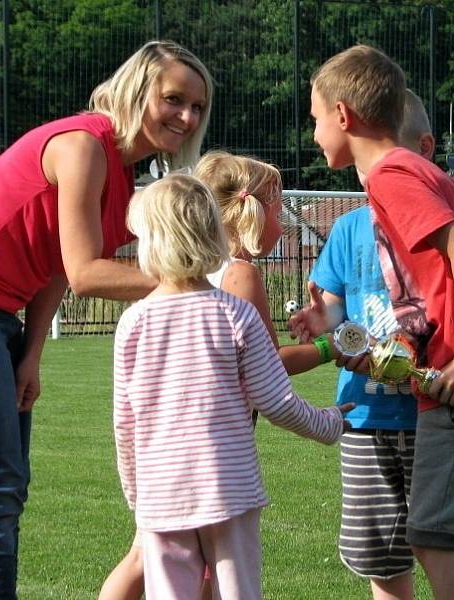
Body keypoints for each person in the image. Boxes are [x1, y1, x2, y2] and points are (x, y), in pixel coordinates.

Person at [0, 40, 213, 600]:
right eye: (173, 99)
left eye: (197, 107)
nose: (186, 117)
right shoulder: (84, 146)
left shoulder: (119, 171)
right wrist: (191, 286)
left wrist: (32, 354)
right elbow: (88, 272)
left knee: (7, 486)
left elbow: (54, 270)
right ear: (137, 91)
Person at [306, 44, 454, 600]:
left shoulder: (391, 174)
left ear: (343, 115)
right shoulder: (419, 171)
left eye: (314, 117)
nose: (313, 132)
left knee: (432, 538)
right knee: (447, 535)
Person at [101, 149, 346, 599]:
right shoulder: (234, 313)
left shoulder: (132, 323)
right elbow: (276, 402)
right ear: (215, 231)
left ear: (149, 244)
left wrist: (139, 497)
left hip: (162, 495)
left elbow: (126, 423)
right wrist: (331, 423)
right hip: (228, 489)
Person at [287, 89, 431, 600]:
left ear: (426, 151)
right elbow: (332, 311)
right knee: (379, 556)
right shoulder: (349, 229)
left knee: (450, 539)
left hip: (434, 414)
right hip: (364, 418)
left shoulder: (438, 220)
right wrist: (317, 318)